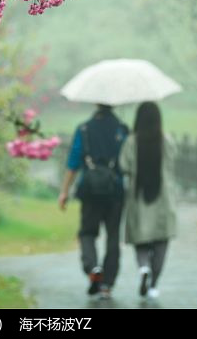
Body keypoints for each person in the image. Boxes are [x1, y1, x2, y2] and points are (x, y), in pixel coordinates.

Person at [58, 104, 128, 299]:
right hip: (115, 191)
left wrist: (64, 191)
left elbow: (73, 162)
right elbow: (129, 162)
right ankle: (107, 284)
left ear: (96, 104)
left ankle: (93, 267)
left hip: (89, 191)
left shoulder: (84, 129)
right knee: (113, 236)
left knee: (87, 232)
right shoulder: (122, 130)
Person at [119, 101, 177, 299]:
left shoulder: (131, 142)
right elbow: (172, 162)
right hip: (163, 199)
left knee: (141, 240)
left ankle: (144, 268)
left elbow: (123, 166)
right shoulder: (166, 141)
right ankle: (153, 285)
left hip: (139, 197)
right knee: (161, 241)